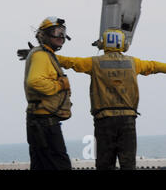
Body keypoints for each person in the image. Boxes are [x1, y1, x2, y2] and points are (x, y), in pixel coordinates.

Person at [21, 28, 166, 170]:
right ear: (124, 44)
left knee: (104, 163)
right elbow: (154, 66)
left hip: (104, 121)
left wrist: (42, 55)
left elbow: (70, 62)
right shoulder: (134, 63)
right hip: (128, 120)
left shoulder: (94, 63)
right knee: (128, 164)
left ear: (103, 44)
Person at [21, 16, 73, 170]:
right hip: (45, 124)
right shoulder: (41, 56)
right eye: (56, 32)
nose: (61, 37)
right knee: (59, 164)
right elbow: (34, 81)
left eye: (63, 32)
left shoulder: (45, 54)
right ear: (44, 35)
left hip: (39, 122)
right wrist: (59, 85)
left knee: (41, 165)